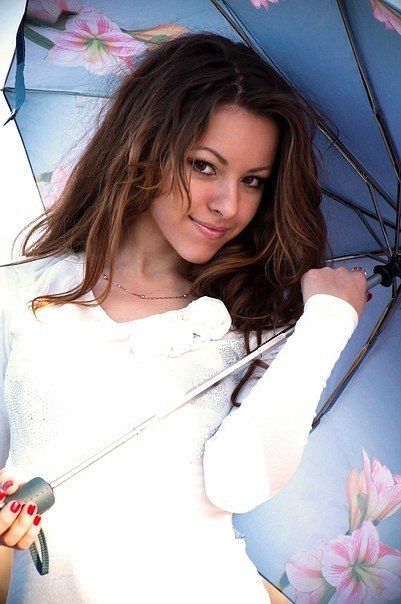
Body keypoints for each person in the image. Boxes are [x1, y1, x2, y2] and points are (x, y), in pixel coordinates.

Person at [0, 32, 367, 604]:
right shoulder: (24, 292)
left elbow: (238, 483)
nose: (229, 205)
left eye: (253, 181)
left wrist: (327, 324)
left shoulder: (258, 330)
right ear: (144, 147)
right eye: (204, 166)